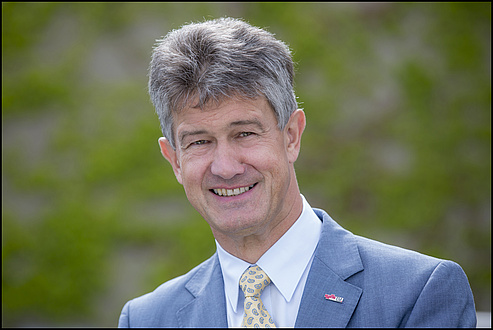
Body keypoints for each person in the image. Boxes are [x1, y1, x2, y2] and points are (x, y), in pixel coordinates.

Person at [118, 17, 476, 328]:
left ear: (291, 136)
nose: (225, 167)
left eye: (244, 133)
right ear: (175, 160)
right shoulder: (148, 319)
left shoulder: (415, 295)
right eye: (199, 142)